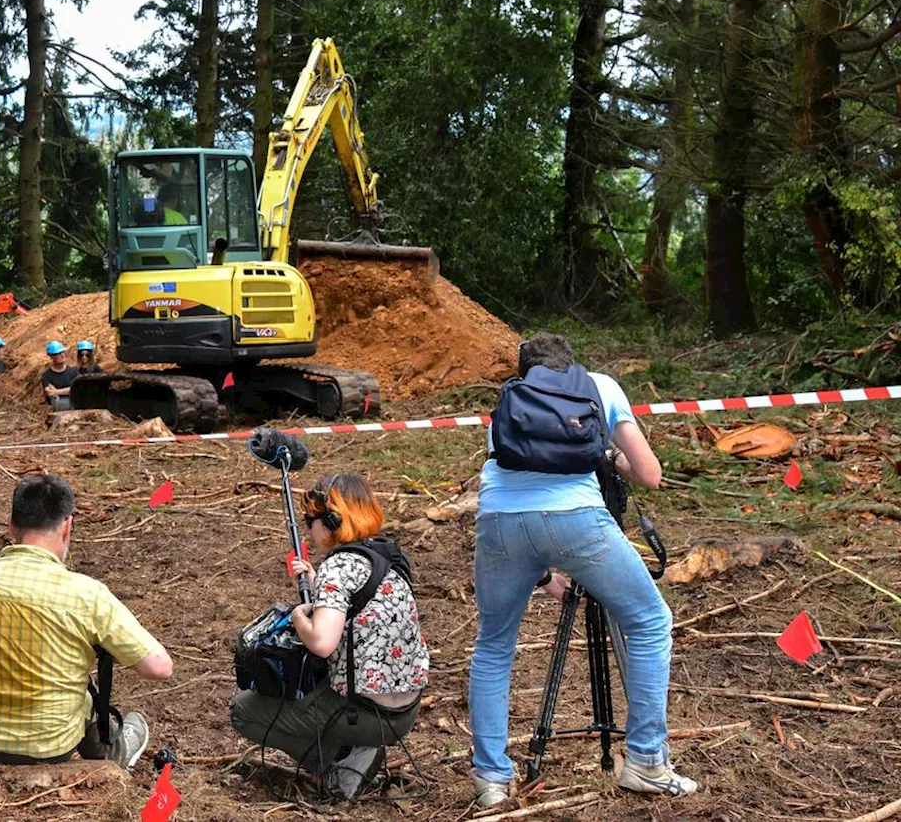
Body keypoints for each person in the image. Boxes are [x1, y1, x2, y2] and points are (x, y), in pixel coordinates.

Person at [467, 333, 695, 807]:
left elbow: (515, 483)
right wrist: (608, 456)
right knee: (650, 622)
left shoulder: (511, 399)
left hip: (497, 521)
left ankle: (490, 778)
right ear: (570, 365)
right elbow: (649, 474)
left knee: (493, 646)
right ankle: (647, 761)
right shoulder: (599, 385)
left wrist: (541, 573)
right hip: (576, 520)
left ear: (524, 369)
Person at [0, 474, 174, 769]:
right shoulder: (86, 594)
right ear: (68, 526)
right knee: (85, 699)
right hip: (48, 748)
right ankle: (116, 755)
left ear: (11, 525)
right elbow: (160, 668)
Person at [230, 474, 429, 800]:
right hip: (405, 707)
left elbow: (322, 643)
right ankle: (355, 749)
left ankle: (343, 762)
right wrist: (317, 580)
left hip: (367, 712)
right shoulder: (385, 554)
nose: (307, 529)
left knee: (243, 710)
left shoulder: (338, 569)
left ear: (333, 520)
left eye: (311, 520)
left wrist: (297, 616)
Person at [41, 340, 77, 409]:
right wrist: (68, 390)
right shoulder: (47, 376)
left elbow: (77, 389)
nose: (61, 355)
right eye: (57, 353)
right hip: (59, 407)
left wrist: (56, 391)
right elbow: (49, 392)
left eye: (62, 352)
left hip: (75, 405)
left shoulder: (73, 372)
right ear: (51, 357)